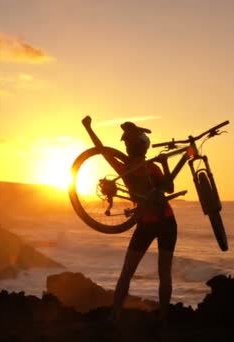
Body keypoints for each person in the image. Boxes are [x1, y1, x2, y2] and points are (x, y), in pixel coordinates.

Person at [81, 115, 177, 323]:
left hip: (150, 223)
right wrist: (165, 164)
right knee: (163, 273)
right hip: (164, 221)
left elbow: (101, 149)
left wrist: (88, 128)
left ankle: (114, 315)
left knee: (128, 272)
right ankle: (163, 317)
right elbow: (170, 188)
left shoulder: (126, 169)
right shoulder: (150, 167)